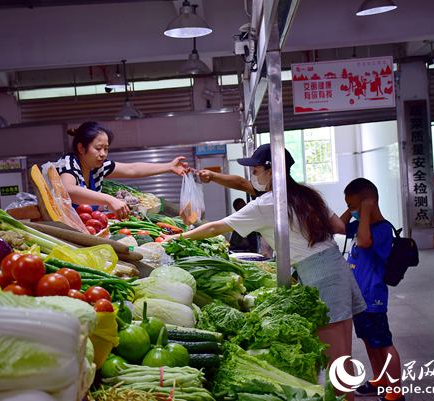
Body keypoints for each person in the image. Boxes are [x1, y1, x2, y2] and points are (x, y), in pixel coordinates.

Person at [165, 144, 366, 401]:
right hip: (336, 266)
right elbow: (338, 225)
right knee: (342, 356)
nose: (254, 176)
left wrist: (178, 237)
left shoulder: (267, 203)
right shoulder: (306, 195)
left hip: (320, 275)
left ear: (271, 171)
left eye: (257, 170)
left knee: (336, 362)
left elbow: (216, 227)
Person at [341, 178, 404, 401]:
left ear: (370, 203)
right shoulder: (361, 224)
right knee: (369, 341)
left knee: (383, 343)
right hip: (360, 298)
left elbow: (365, 241)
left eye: (354, 206)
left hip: (373, 298)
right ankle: (380, 378)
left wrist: (366, 210)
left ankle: (395, 391)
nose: (353, 212)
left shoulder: (383, 229)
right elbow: (337, 227)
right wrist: (352, 210)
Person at [56, 121, 188, 219]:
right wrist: (109, 199)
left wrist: (169, 167)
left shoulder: (97, 167)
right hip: (66, 230)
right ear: (81, 148)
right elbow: (68, 189)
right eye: (98, 148)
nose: (103, 154)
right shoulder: (69, 163)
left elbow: (132, 169)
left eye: (106, 148)